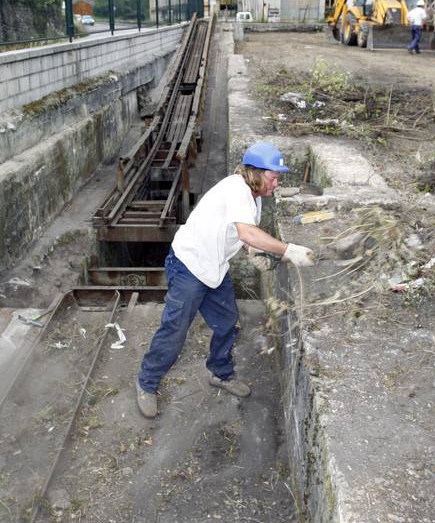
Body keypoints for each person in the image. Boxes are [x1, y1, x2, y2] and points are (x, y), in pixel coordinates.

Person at [135, 142, 315, 418]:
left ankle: (220, 373)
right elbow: (247, 232)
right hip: (189, 266)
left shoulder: (253, 196)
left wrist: (253, 250)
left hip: (214, 267)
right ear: (256, 173)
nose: (276, 183)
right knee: (175, 330)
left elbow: (241, 233)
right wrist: (288, 250)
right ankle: (147, 383)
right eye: (274, 177)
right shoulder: (236, 190)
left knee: (228, 322)